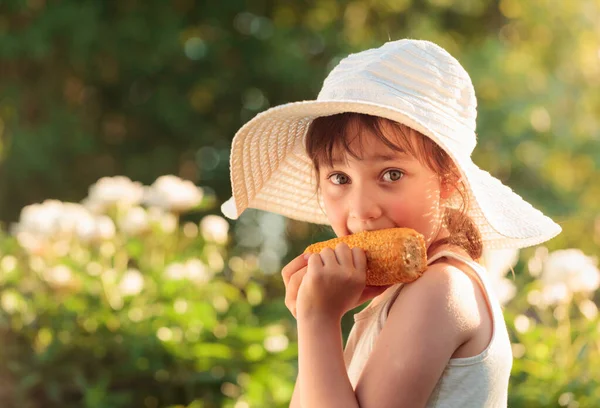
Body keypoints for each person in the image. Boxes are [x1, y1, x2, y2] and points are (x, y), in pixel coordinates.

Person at [221, 39, 561, 407]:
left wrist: (319, 322)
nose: (362, 209)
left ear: (448, 181)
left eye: (392, 174)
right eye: (339, 178)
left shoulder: (440, 289)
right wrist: (312, 315)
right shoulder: (395, 296)